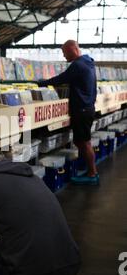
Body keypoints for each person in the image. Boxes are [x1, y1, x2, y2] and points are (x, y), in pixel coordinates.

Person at [38, 40, 98, 185]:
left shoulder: (77, 65)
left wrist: (40, 83)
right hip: (87, 108)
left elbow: (61, 79)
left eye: (65, 52)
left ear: (72, 49)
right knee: (81, 141)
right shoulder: (88, 62)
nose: (64, 56)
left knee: (84, 143)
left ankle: (92, 174)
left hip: (82, 110)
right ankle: (90, 171)